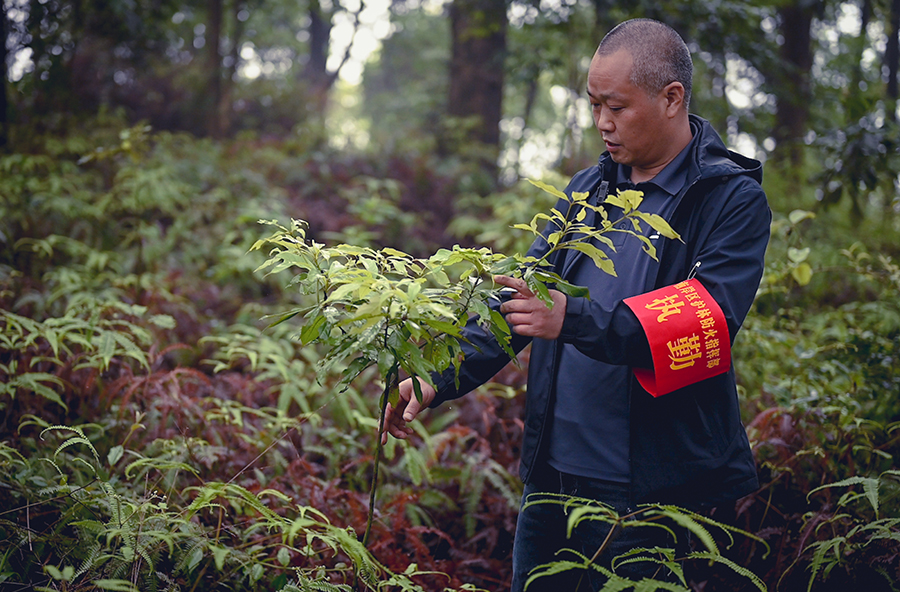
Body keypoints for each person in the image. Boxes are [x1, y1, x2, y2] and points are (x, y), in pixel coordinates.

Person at [382, 18, 771, 592]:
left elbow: (703, 325)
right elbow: (520, 301)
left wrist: (571, 319)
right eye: (593, 105)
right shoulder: (587, 190)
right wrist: (437, 377)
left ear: (671, 99)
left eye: (616, 106)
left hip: (658, 491)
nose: (601, 123)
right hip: (554, 481)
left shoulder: (729, 199)